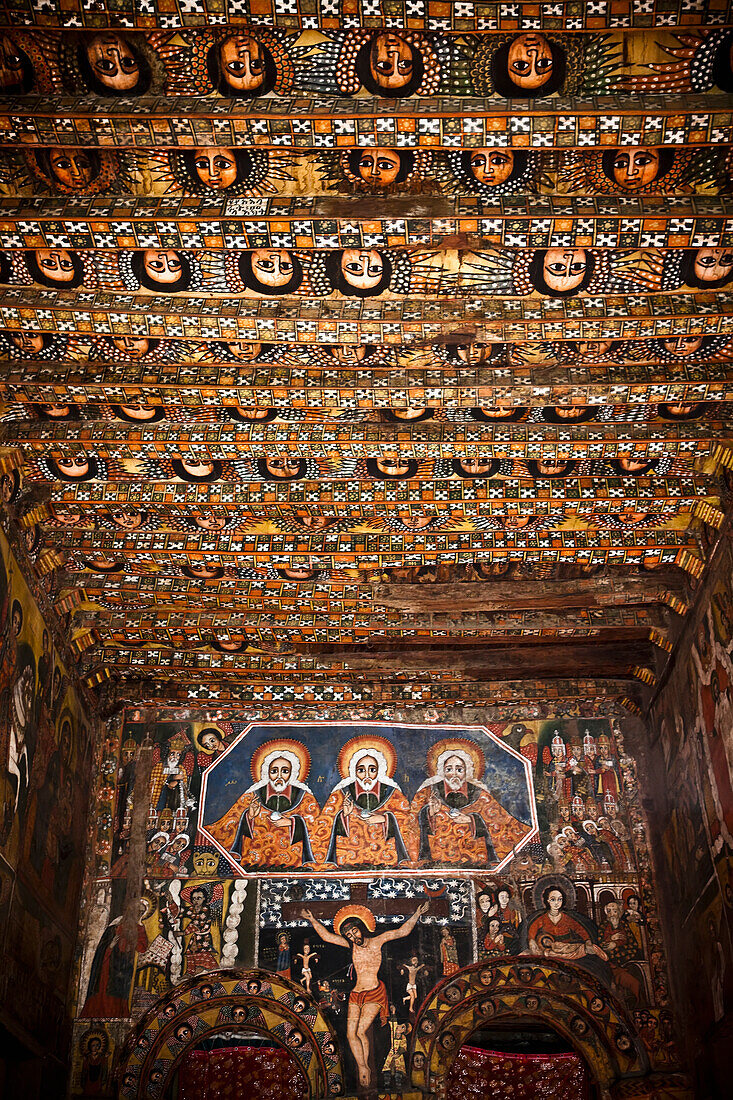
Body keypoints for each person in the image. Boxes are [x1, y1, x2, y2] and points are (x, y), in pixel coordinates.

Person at [300, 900, 429, 1088]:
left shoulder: (378, 941)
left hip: (374, 993)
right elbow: (327, 937)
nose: (353, 936)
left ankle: (366, 1066)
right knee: (351, 1034)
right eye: (349, 935)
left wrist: (417, 914)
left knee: (361, 1031)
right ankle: (362, 1067)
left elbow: (402, 932)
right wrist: (312, 919)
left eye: (355, 931)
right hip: (355, 994)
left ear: (361, 927)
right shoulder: (351, 946)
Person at [410, 738, 531, 866]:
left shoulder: (481, 795)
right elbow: (409, 824)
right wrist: (428, 813)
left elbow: (501, 824)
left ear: (467, 771)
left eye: (459, 769)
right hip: (438, 858)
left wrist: (472, 820)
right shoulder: (428, 792)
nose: (454, 774)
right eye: (449, 769)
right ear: (441, 771)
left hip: (475, 858)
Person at [205, 739, 319, 868]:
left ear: (292, 773)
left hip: (294, 859)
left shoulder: (305, 797)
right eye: (274, 771)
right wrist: (249, 816)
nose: (279, 776)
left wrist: (293, 822)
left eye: (285, 771)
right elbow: (229, 821)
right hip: (257, 859)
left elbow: (316, 826)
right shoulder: (253, 795)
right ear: (267, 773)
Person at [316, 736, 416, 867]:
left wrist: (385, 819)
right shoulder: (341, 794)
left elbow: (408, 821)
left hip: (385, 858)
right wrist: (343, 816)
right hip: (349, 858)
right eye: (361, 770)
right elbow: (323, 825)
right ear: (354, 772)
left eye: (372, 770)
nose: (367, 775)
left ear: (379, 771)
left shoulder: (393, 794)